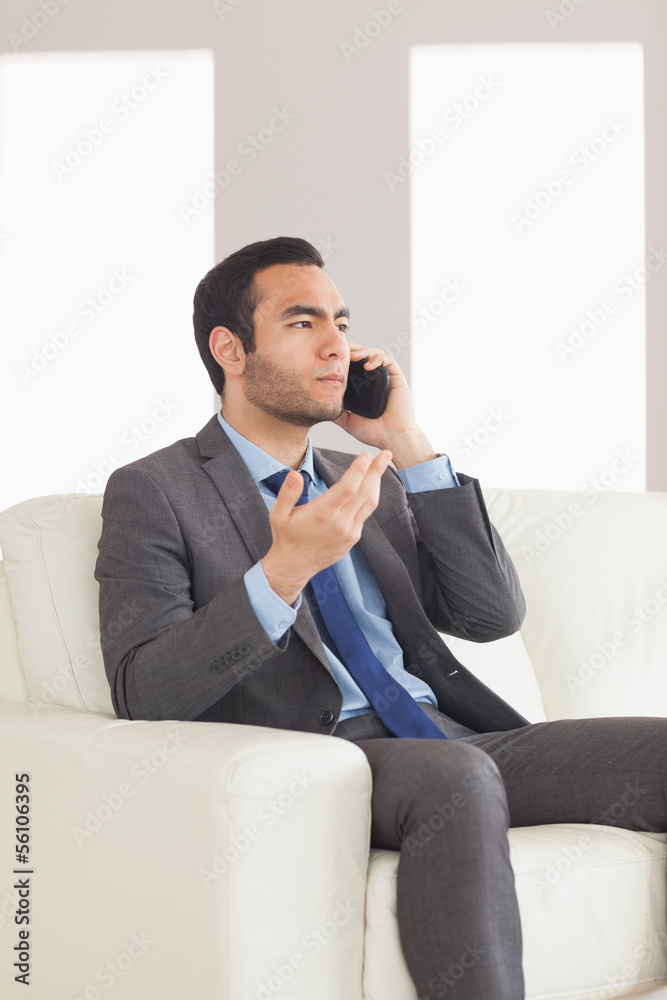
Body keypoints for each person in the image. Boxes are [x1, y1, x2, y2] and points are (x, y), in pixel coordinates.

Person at [95, 236, 667, 1000]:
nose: (337, 344)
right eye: (302, 324)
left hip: (456, 740)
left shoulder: (360, 477)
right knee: (455, 777)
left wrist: (406, 442)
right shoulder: (155, 489)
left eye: (339, 320)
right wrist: (283, 570)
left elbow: (488, 614)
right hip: (325, 758)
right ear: (230, 349)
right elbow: (143, 690)